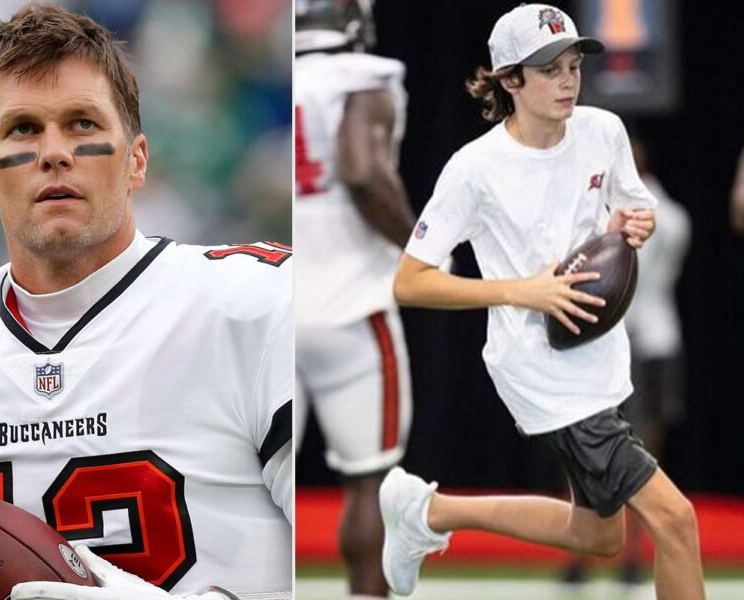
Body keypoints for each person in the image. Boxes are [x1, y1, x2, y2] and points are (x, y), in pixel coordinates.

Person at [0, 4, 292, 600]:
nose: (54, 152)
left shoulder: (253, 303)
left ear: (136, 158)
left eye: (82, 124)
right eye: (23, 129)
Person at [378, 5, 704, 600]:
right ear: (510, 81)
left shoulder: (603, 132)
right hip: (540, 365)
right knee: (677, 521)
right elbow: (410, 281)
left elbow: (633, 210)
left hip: (601, 354)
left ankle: (428, 511)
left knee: (600, 536)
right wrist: (523, 290)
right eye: (550, 69)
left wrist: (633, 223)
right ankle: (423, 512)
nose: (568, 80)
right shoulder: (474, 169)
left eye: (574, 65)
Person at [293, 1, 415, 597]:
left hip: (270, 312)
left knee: (252, 483)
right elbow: (362, 171)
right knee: (371, 484)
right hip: (352, 306)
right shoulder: (363, 78)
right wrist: (421, 244)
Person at [560, 136, 692, 585]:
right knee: (589, 444)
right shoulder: (602, 215)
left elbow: (627, 276)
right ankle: (583, 558)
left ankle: (633, 554)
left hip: (649, 340)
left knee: (643, 451)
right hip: (614, 343)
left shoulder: (667, 217)